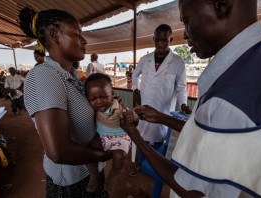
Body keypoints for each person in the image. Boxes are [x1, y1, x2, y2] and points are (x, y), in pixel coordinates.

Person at [121, 0, 261, 198]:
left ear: (221, 5)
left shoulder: (227, 100)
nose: (185, 34)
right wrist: (161, 117)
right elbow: (209, 135)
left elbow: (193, 190)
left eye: (187, 21)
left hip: (162, 114)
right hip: (155, 112)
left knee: (155, 142)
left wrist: (134, 136)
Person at [18, 7, 112, 197]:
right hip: (71, 184)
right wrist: (106, 154)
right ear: (54, 35)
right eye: (77, 34)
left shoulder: (73, 76)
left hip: (90, 171)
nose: (84, 40)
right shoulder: (44, 75)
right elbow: (59, 151)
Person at [131, 24, 188, 174]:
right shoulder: (145, 59)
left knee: (159, 140)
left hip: (163, 110)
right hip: (145, 106)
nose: (160, 44)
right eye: (157, 40)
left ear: (171, 39)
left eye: (164, 40)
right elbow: (135, 74)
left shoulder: (177, 62)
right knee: (141, 137)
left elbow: (181, 87)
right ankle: (138, 163)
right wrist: (135, 89)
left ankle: (154, 168)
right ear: (153, 39)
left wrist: (183, 104)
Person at [84, 73, 138, 192]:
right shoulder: (91, 107)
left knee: (120, 157)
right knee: (89, 152)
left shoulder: (118, 106)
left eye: (104, 97)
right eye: (93, 99)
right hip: (102, 135)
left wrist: (133, 116)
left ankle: (113, 176)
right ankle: (93, 176)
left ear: (112, 95)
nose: (99, 102)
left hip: (120, 137)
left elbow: (131, 118)